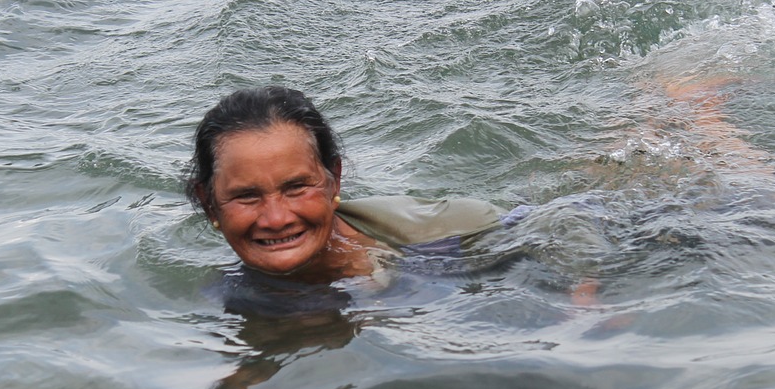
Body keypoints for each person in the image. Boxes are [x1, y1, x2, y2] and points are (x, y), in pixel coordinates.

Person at [185, 85, 538, 284]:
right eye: (247, 196)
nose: (276, 219)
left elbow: (562, 226)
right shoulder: (226, 289)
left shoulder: (453, 234)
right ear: (208, 202)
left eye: (296, 188)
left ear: (333, 180)